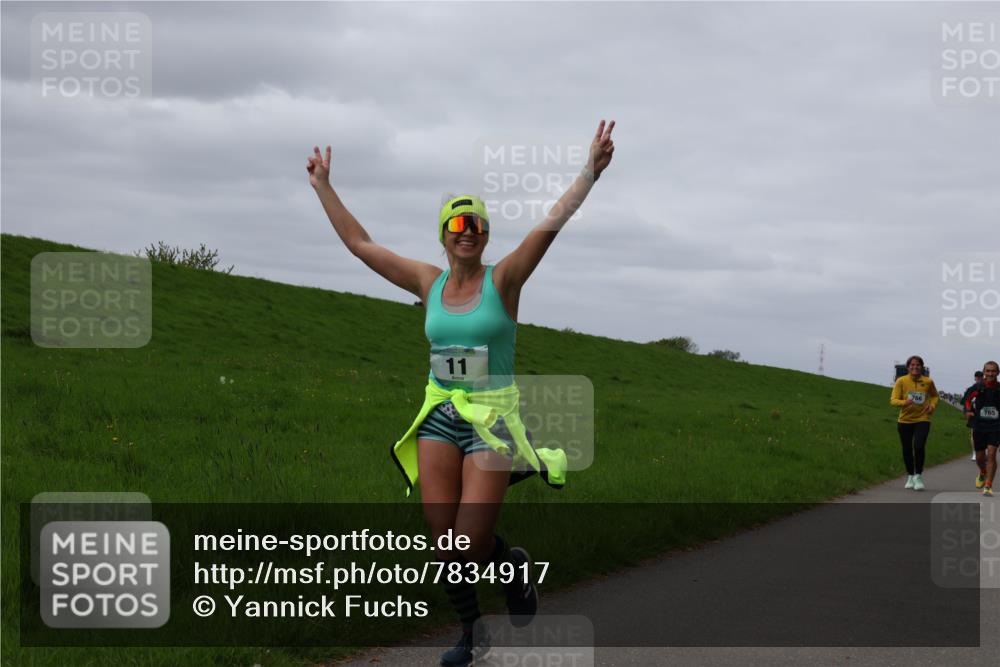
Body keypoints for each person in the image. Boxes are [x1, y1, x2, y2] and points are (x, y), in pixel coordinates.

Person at [307, 120, 616, 666]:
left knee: (470, 544)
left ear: (486, 235)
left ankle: (511, 564)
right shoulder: (428, 283)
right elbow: (360, 245)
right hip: (440, 416)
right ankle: (473, 636)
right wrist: (324, 187)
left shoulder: (506, 282)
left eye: (476, 224)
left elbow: (551, 224)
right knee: (442, 542)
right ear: (444, 234)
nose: (467, 231)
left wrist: (589, 172)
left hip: (491, 423)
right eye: (457, 223)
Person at [889, 355, 939, 491]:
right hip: (905, 420)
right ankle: (910, 475)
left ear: (922, 367)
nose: (915, 367)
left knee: (918, 446)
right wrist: (905, 402)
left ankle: (918, 476)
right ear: (908, 367)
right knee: (906, 449)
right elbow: (893, 400)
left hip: (923, 419)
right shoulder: (901, 381)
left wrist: (932, 406)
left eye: (918, 365)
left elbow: (935, 396)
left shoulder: (928, 382)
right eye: (912, 365)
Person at [965, 361, 1000, 496]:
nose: (990, 373)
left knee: (991, 454)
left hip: (996, 426)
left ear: (998, 373)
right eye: (988, 371)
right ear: (984, 372)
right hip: (979, 425)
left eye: (993, 371)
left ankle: (988, 485)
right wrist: (968, 410)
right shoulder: (978, 387)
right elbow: (967, 399)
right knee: (980, 457)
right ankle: (982, 472)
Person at [962, 370, 985, 468]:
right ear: (975, 378)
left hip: (985, 415)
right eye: (977, 378)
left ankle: (984, 452)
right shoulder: (971, 389)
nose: (979, 379)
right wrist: (967, 411)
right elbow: (965, 401)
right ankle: (975, 453)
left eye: (980, 378)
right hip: (974, 415)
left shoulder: (987, 388)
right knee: (973, 434)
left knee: (985, 434)